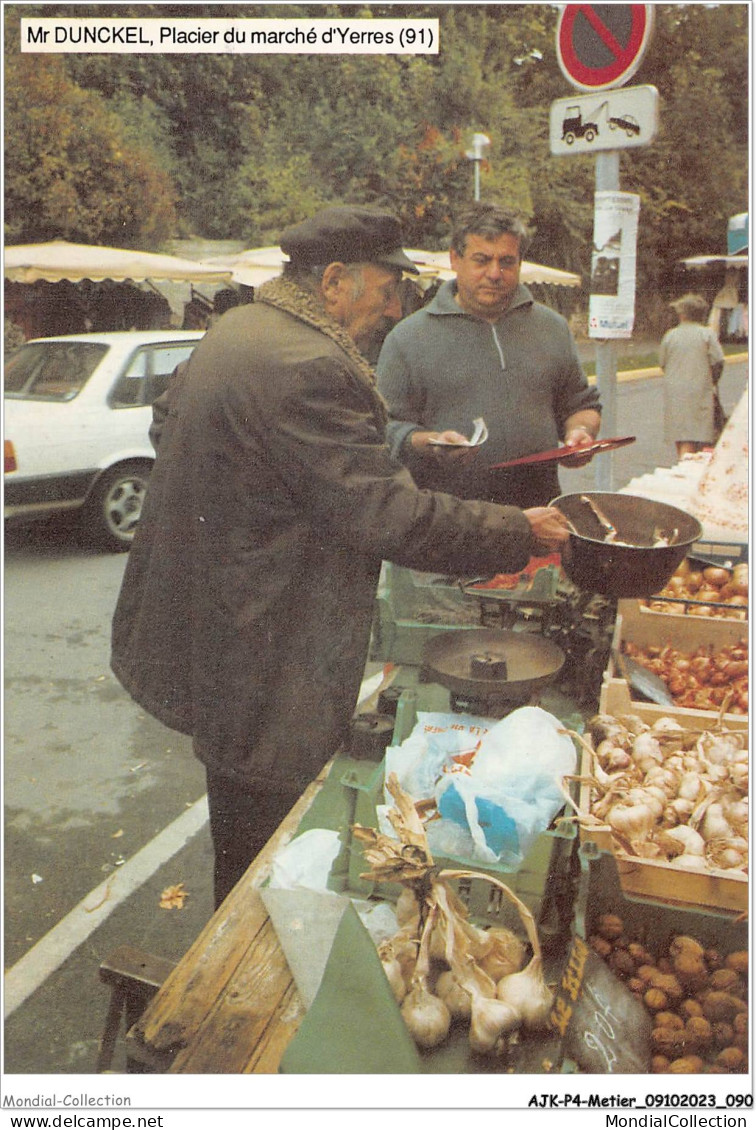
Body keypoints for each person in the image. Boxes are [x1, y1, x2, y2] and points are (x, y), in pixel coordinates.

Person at [110, 205, 570, 908]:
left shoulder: (240, 329)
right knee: (266, 830)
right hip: (266, 633)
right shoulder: (310, 366)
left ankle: (238, 931)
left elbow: (170, 423)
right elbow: (384, 514)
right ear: (332, 281)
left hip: (221, 612)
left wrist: (252, 506)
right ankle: (244, 970)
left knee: (237, 800)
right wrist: (519, 530)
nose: (395, 307)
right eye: (387, 288)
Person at [375, 202, 602, 510]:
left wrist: (580, 433)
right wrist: (430, 443)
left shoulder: (553, 327)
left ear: (520, 262)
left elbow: (580, 403)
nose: (495, 274)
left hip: (537, 518)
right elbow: (383, 432)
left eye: (507, 262)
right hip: (450, 526)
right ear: (455, 259)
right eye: (481, 260)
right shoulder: (407, 338)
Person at [659, 292, 725, 459]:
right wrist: (712, 379)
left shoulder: (670, 335)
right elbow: (718, 360)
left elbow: (663, 362)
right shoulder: (707, 335)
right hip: (700, 389)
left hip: (675, 392)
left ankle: (683, 461)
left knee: (682, 435)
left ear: (681, 314)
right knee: (701, 434)